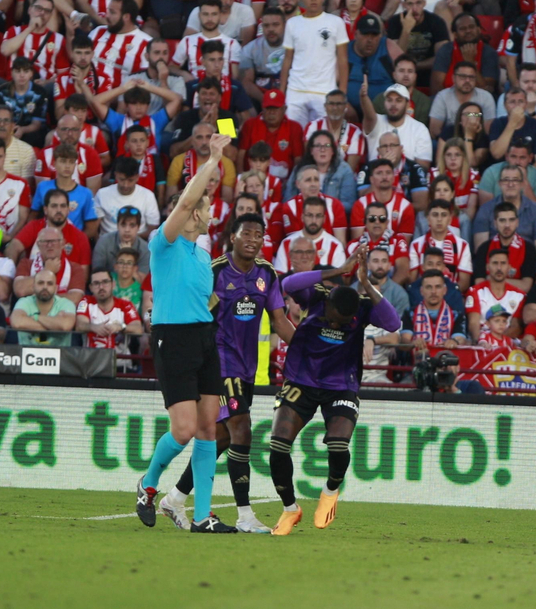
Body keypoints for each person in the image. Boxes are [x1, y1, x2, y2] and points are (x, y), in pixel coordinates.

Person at [161, 212, 296, 533]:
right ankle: (245, 515)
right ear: (232, 238)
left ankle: (174, 498)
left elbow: (279, 321)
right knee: (242, 429)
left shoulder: (267, 274)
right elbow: (195, 314)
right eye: (246, 233)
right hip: (219, 365)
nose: (252, 239)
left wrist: (308, 354)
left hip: (246, 370)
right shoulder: (216, 272)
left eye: (258, 235)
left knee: (221, 438)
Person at [134, 129, 236, 533]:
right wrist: (211, 160)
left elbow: (202, 297)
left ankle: (202, 516)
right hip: (172, 338)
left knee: (210, 427)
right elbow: (190, 197)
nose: (209, 211)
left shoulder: (204, 250)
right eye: (205, 205)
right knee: (184, 429)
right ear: (193, 211)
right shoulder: (165, 242)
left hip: (202, 336)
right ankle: (148, 485)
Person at [267, 244, 402, 533]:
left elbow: (393, 323)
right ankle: (290, 509)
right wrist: (339, 270)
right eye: (332, 318)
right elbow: (288, 283)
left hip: (341, 385)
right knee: (278, 446)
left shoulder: (362, 309)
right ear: (327, 305)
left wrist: (365, 283)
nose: (334, 323)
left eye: (342, 323)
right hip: (301, 380)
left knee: (338, 445)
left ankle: (330, 492)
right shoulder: (316, 296)